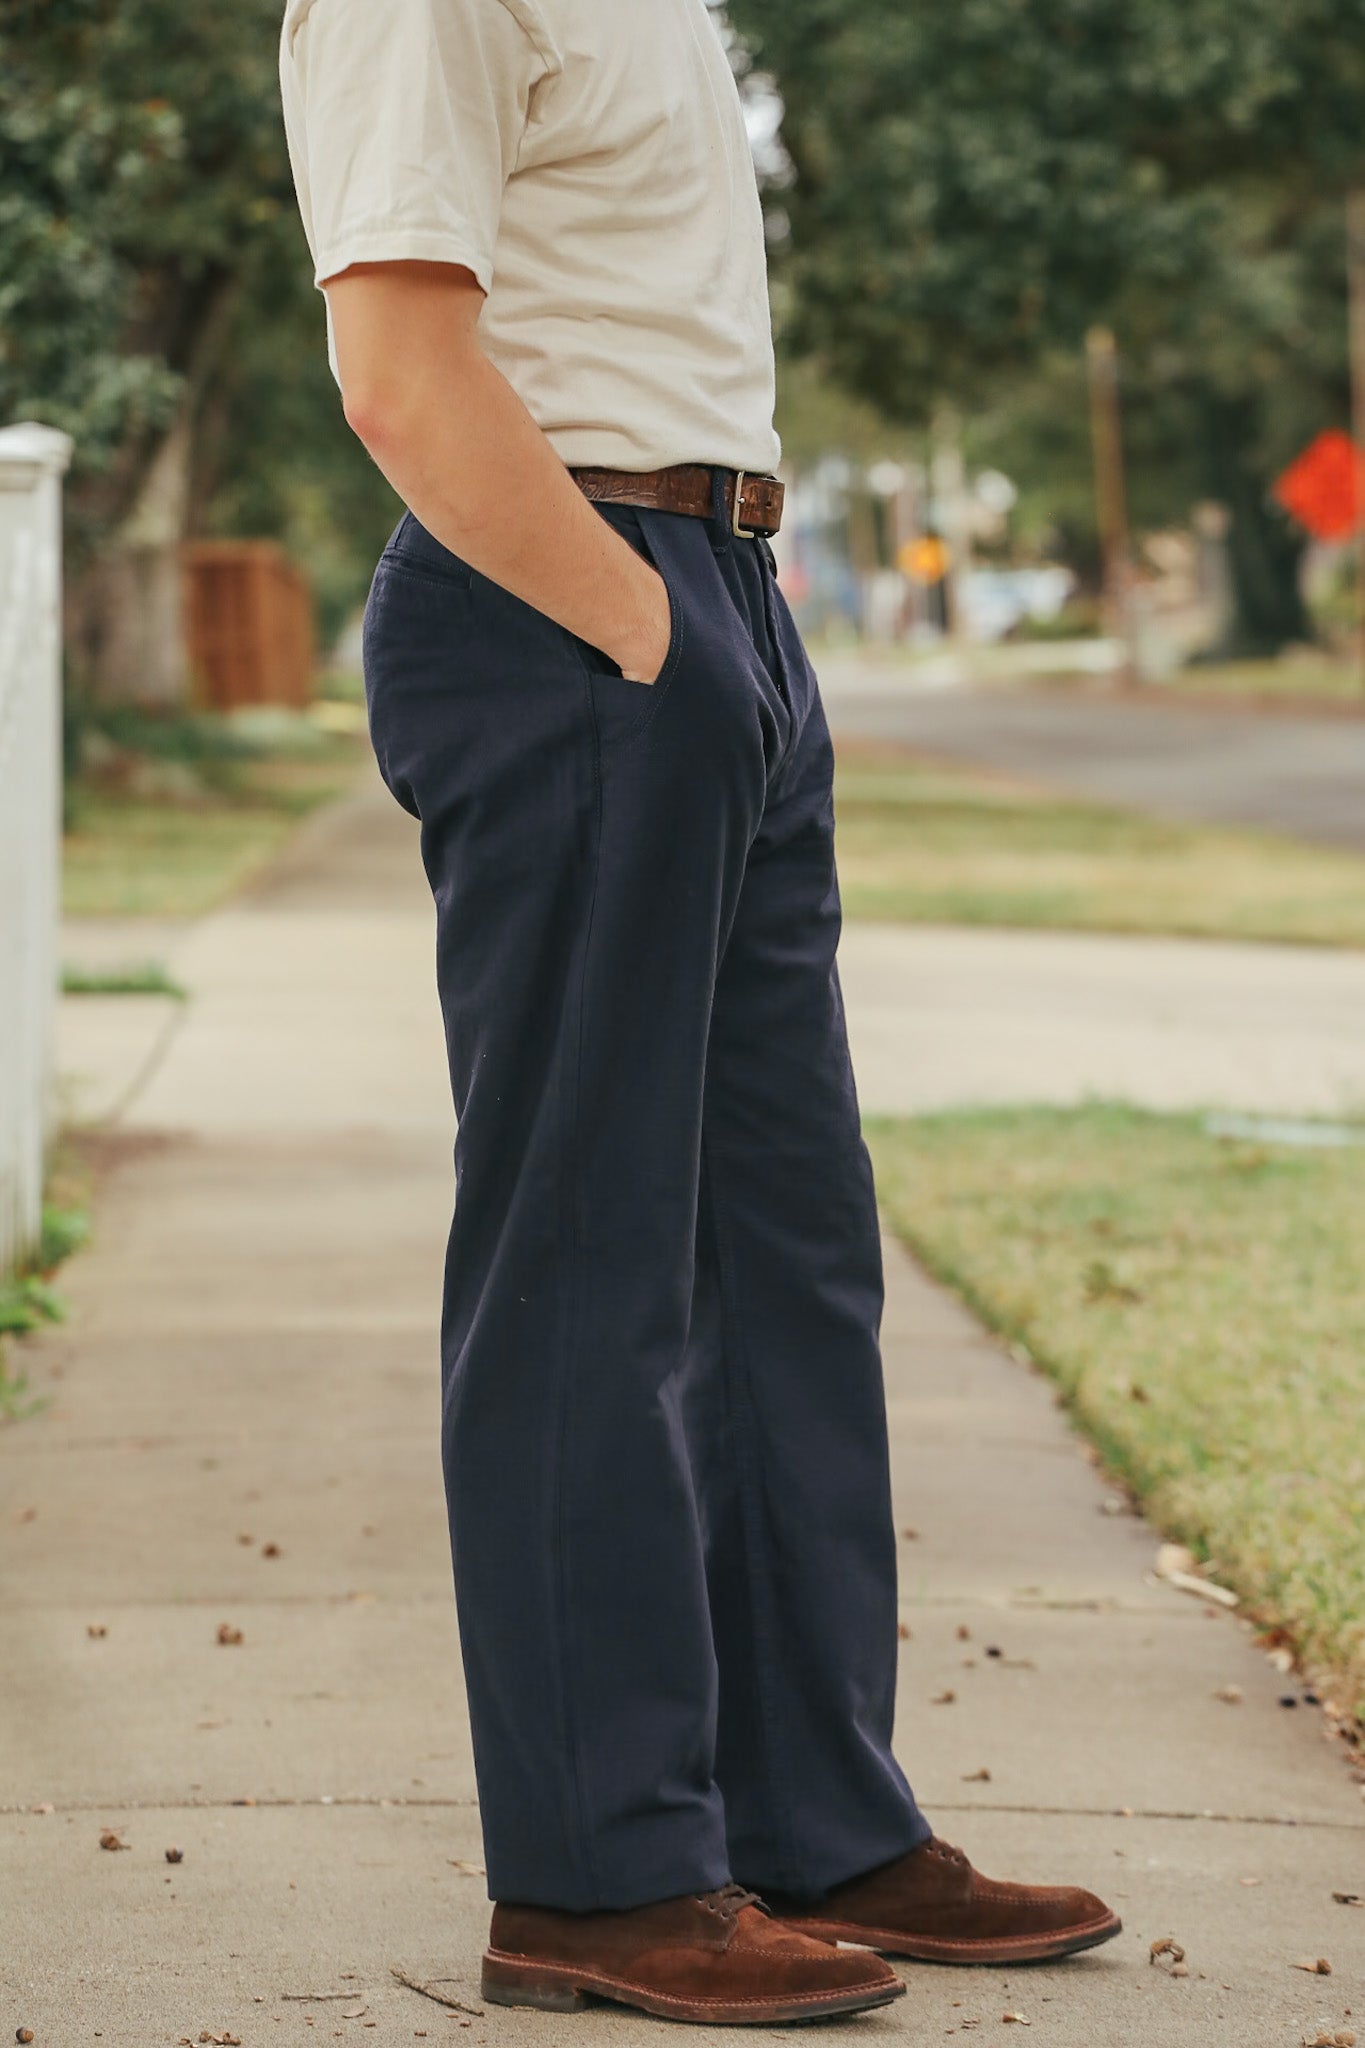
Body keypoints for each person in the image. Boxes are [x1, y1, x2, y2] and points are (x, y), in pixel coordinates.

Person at [278, 0, 1121, 2025]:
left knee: (784, 1252)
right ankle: (595, 1873)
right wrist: (642, 620)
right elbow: (397, 369)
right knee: (591, 1258)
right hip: (574, 599)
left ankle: (810, 1817)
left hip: (711, 588)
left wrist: (727, 612)